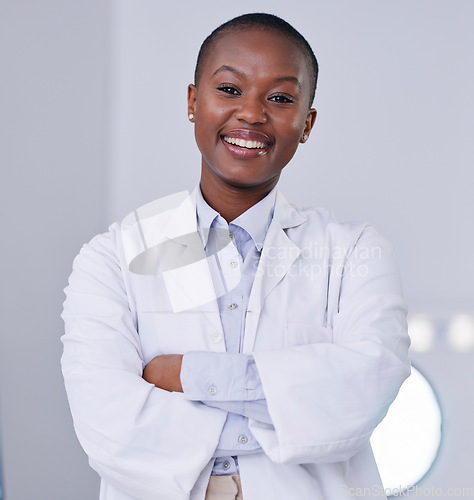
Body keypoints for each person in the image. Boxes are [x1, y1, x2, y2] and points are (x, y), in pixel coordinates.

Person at [61, 13, 411, 500]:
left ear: (307, 124)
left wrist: (188, 375)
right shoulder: (113, 257)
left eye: (281, 98)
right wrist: (287, 408)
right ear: (192, 101)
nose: (251, 113)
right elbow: (108, 424)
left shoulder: (355, 253)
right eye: (229, 89)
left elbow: (366, 389)